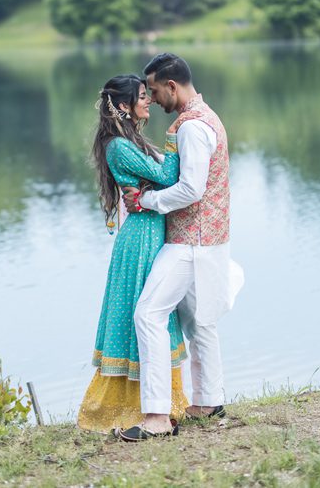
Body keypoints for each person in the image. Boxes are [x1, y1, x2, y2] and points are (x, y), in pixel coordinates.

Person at [119, 53, 243, 442]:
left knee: (147, 314)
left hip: (190, 241)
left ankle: (157, 417)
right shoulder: (208, 116)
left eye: (154, 90)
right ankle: (209, 401)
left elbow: (192, 189)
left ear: (171, 85)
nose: (152, 99)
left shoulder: (191, 127)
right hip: (211, 239)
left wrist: (146, 202)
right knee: (199, 321)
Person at [77, 74, 189, 433]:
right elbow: (166, 176)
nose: (149, 102)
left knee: (156, 312)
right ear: (123, 106)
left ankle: (163, 404)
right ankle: (130, 407)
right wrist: (175, 140)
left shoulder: (131, 140)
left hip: (150, 230)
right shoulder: (119, 147)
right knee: (142, 313)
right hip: (140, 239)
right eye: (142, 97)